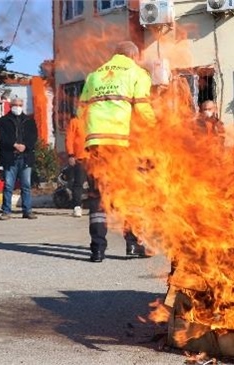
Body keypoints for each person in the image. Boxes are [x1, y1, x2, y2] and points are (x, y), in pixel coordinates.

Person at [79, 40, 156, 263]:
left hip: (96, 144)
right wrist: (157, 127)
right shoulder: (136, 72)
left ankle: (97, 250)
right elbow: (142, 107)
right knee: (130, 193)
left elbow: (80, 111)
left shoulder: (94, 75)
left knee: (97, 196)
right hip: (123, 144)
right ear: (134, 56)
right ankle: (133, 244)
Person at [0, 97, 39, 220]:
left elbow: (33, 137)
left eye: (20, 105)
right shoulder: (3, 121)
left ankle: (27, 211)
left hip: (25, 157)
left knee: (26, 185)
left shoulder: (29, 121)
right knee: (8, 185)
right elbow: (2, 138)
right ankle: (6, 211)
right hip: (10, 157)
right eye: (15, 105)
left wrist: (25, 146)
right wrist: (14, 145)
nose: (17, 107)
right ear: (10, 106)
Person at [65, 115, 88, 218]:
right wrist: (71, 154)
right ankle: (77, 207)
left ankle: (96, 207)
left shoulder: (95, 119)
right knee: (78, 183)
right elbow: (69, 138)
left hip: (95, 158)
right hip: (80, 158)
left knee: (95, 184)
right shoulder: (75, 121)